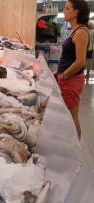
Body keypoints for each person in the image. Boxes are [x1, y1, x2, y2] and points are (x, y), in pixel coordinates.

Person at [54, 0, 90, 140]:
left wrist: (64, 75)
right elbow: (69, 57)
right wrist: (58, 72)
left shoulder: (81, 32)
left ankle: (76, 149)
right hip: (65, 78)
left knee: (72, 115)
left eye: (67, 8)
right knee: (66, 114)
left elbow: (80, 61)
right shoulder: (73, 30)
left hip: (71, 80)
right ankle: (67, 143)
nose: (64, 11)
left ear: (76, 13)